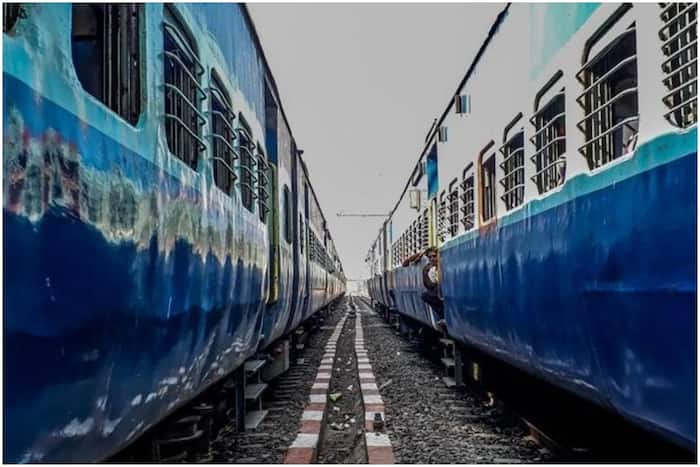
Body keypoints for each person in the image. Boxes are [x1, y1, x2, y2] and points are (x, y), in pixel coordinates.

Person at [420, 247, 446, 331]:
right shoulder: (428, 269)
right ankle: (443, 316)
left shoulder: (444, 265)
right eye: (429, 257)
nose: (432, 259)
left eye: (434, 256)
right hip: (437, 293)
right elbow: (428, 284)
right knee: (425, 295)